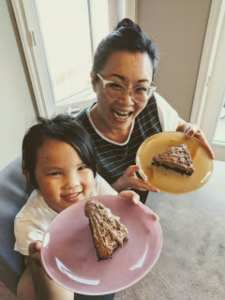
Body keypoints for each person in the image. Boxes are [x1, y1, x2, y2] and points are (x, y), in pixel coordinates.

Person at [76, 18, 214, 203]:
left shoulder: (152, 105)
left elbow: (180, 127)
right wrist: (119, 186)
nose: (127, 101)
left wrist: (190, 129)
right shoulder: (75, 140)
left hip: (160, 206)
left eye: (140, 88)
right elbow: (77, 208)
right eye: (116, 85)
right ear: (94, 81)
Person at [14, 115, 139, 300]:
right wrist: (40, 265)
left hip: (95, 261)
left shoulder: (95, 183)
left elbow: (114, 209)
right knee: (27, 288)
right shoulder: (29, 222)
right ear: (31, 177)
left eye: (82, 168)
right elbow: (39, 271)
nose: (73, 183)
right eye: (55, 173)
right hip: (58, 272)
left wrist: (123, 204)